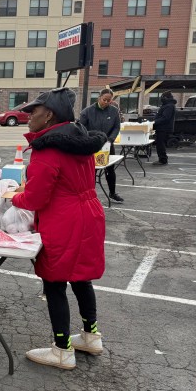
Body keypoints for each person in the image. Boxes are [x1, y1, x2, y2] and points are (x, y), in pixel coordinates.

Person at [12, 88, 108, 370]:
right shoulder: (80, 140)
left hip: (65, 220)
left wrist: (13, 195)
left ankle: (62, 348)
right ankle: (91, 336)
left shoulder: (48, 149)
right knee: (81, 278)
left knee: (54, 282)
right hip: (89, 213)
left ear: (49, 115)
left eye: (34, 112)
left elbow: (35, 199)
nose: (28, 117)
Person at [79, 88, 123, 203]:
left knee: (110, 169)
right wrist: (91, 139)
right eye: (105, 100)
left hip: (108, 144)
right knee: (92, 171)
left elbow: (116, 127)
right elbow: (80, 128)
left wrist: (111, 139)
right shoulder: (87, 111)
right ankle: (90, 195)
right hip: (92, 144)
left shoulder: (113, 111)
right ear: (99, 98)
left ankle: (112, 193)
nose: (107, 102)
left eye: (109, 100)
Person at [152, 91, 176, 165]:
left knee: (160, 144)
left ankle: (163, 160)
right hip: (162, 128)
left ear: (166, 98)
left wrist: (154, 122)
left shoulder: (169, 106)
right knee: (159, 144)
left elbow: (165, 118)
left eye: (163, 97)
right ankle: (162, 159)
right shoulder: (166, 105)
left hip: (164, 128)